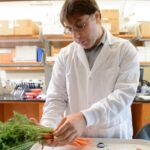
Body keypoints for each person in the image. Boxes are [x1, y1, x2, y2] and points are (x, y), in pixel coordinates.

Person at [40, 0, 140, 147]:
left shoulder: (125, 50)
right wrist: (48, 127)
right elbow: (56, 98)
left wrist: (85, 118)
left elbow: (123, 95)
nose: (76, 36)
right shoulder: (65, 55)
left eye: (80, 26)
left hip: (113, 137)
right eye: (70, 29)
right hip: (76, 140)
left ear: (97, 17)